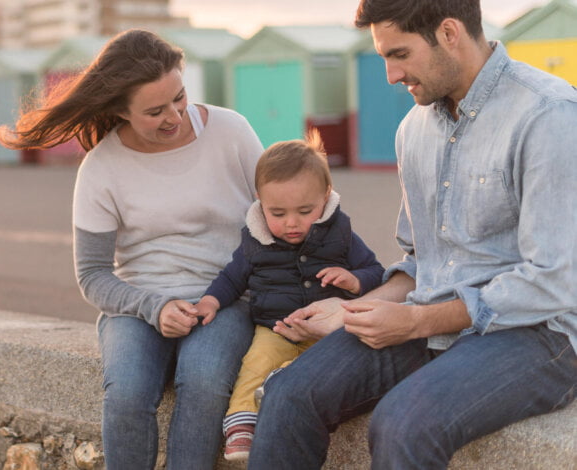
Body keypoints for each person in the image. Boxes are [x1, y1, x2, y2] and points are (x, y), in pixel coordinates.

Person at [247, 1, 577, 468]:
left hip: (537, 335)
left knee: (401, 423)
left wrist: (418, 321)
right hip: (431, 322)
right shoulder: (413, 130)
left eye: (399, 54)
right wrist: (358, 308)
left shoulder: (550, 115)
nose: (389, 74)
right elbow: (423, 260)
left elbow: (553, 279)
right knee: (288, 392)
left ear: (448, 33)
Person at [0, 29, 264, 469]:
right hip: (139, 305)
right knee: (126, 392)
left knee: (203, 379)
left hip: (227, 297)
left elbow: (278, 213)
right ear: (120, 109)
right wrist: (154, 307)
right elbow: (93, 275)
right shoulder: (101, 167)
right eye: (155, 111)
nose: (174, 116)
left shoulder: (231, 131)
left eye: (179, 97)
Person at [192, 133, 384, 461]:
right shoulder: (256, 241)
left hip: (327, 330)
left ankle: (282, 386)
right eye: (277, 213)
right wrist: (210, 301)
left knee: (321, 368)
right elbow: (232, 278)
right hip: (274, 327)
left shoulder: (341, 235)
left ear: (325, 196)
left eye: (304, 211)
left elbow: (376, 272)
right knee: (255, 363)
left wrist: (353, 281)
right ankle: (241, 424)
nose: (291, 224)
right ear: (260, 201)